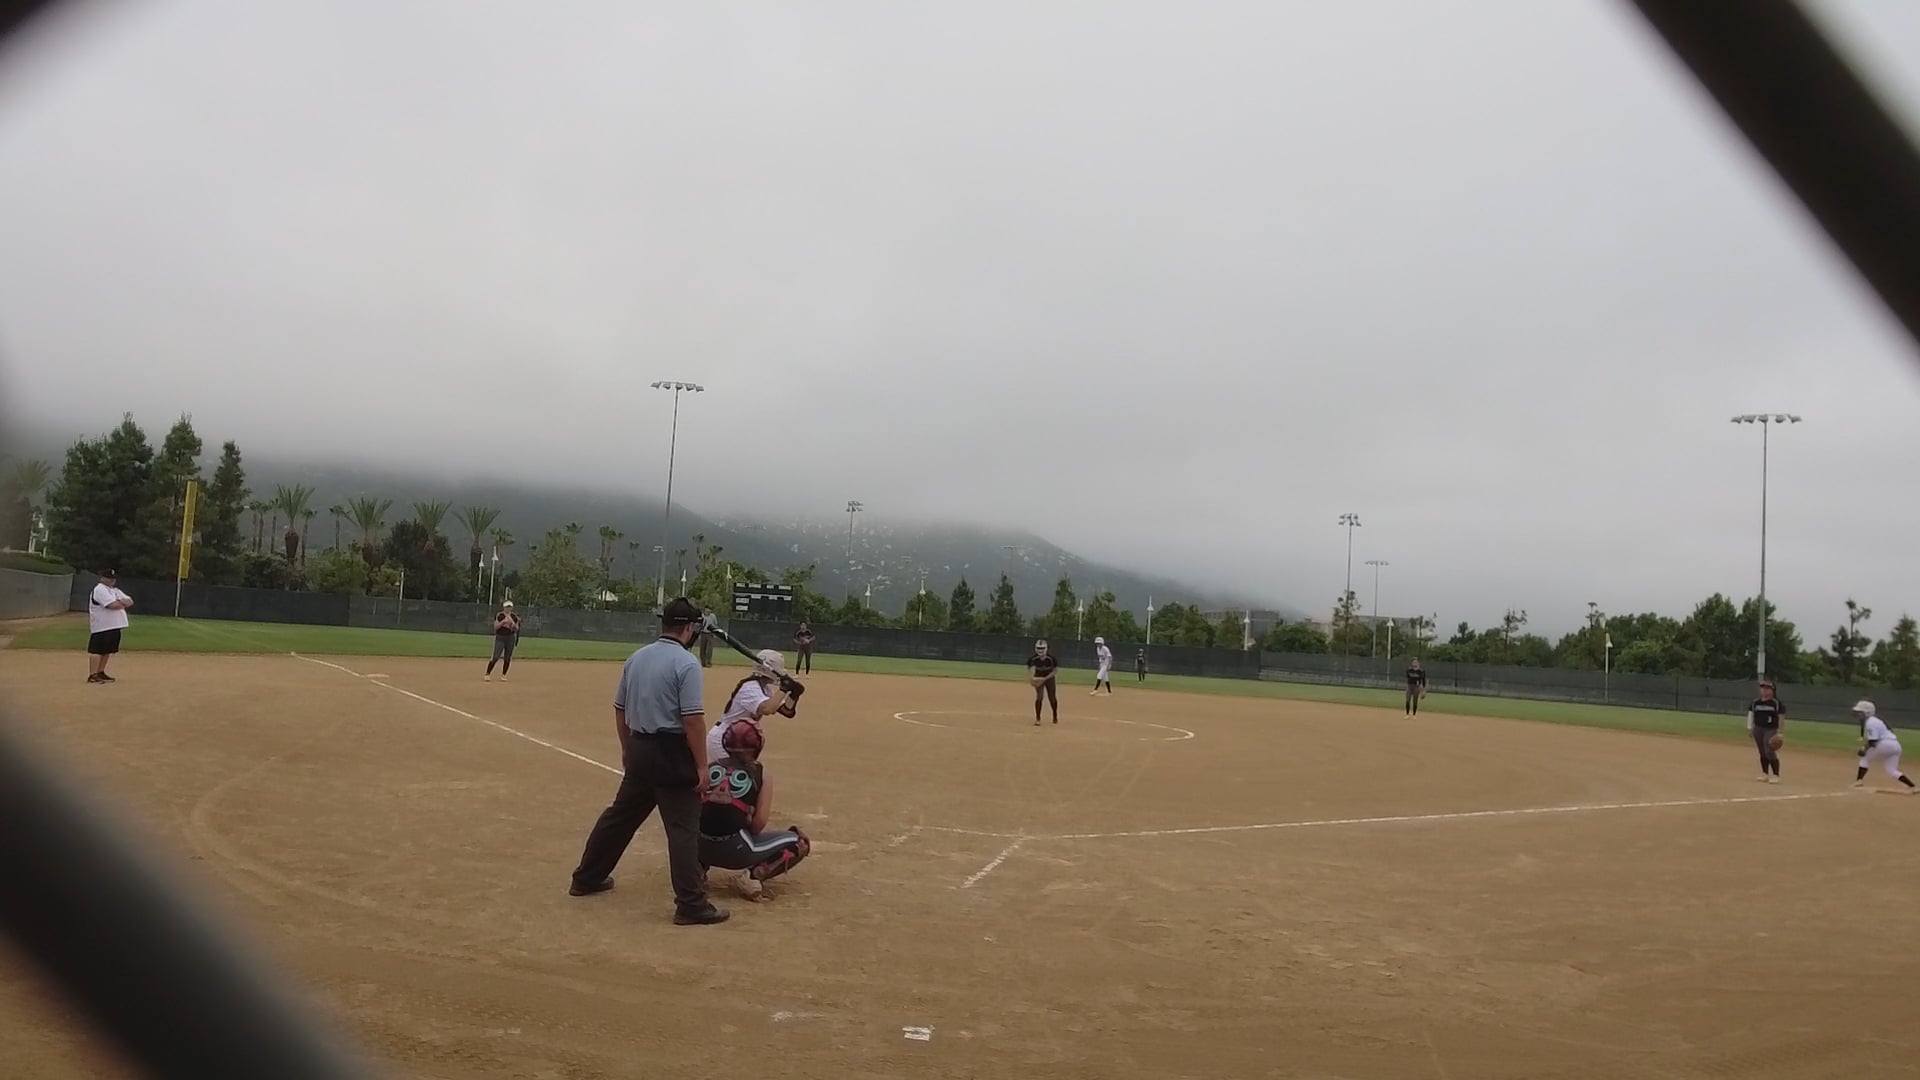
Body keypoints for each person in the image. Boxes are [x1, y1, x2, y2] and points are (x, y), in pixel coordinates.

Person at [568, 598, 729, 925]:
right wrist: (702, 766)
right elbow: (693, 720)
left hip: (640, 747)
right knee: (683, 828)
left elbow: (620, 708)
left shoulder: (637, 658)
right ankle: (691, 904)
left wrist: (627, 747)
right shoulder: (686, 663)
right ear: (689, 628)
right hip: (671, 752)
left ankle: (587, 877)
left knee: (619, 817)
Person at [699, 718, 811, 901]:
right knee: (799, 842)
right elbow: (758, 825)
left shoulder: (710, 767)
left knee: (699, 827)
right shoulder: (761, 774)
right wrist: (742, 817)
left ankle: (696, 870)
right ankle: (753, 876)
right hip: (737, 850)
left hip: (698, 847)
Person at [705, 648, 798, 764]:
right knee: (735, 773)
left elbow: (787, 711)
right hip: (724, 738)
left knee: (745, 772)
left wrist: (794, 694)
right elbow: (767, 709)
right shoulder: (750, 687)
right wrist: (784, 689)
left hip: (739, 738)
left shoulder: (765, 689)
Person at [1852, 700, 1916, 793]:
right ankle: (1912, 786)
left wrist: (1864, 749)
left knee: (1865, 758)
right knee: (1891, 770)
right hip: (1896, 745)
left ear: (1867, 712)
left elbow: (1873, 741)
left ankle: (1859, 781)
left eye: (1860, 712)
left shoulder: (1871, 722)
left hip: (1884, 744)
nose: (1858, 714)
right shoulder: (1877, 721)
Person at [86, 567, 132, 684]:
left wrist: (120, 602)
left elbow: (130, 601)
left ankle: (100, 672)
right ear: (103, 578)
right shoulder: (100, 589)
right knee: (97, 650)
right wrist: (122, 603)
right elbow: (112, 605)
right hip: (102, 626)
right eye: (109, 578)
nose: (112, 580)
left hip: (114, 625)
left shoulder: (115, 590)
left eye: (113, 578)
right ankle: (93, 674)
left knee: (107, 651)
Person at [1746, 680, 1785, 783]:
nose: (1764, 690)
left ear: (1773, 690)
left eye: (1767, 688)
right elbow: (1751, 714)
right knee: (1762, 751)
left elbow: (1781, 717)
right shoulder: (1755, 702)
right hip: (1758, 728)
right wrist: (1750, 727)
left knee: (1769, 750)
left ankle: (1776, 775)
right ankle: (1765, 774)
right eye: (1762, 688)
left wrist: (1780, 732)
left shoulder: (1776, 703)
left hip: (1771, 729)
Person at [484, 599, 519, 681]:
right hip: (500, 637)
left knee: (507, 657)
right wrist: (503, 622)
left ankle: (504, 674)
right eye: (507, 607)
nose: (508, 608)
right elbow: (496, 627)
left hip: (510, 637)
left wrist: (512, 624)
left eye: (510, 607)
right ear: (504, 607)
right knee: (496, 656)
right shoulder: (499, 615)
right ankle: (487, 673)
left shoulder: (514, 616)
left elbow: (516, 628)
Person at [1027, 639, 1059, 726]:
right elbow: (1030, 668)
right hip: (1038, 677)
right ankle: (1038, 718)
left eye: (1042, 648)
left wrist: (1044, 679)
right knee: (1039, 697)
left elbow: (1055, 671)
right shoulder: (1033, 659)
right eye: (1038, 648)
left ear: (1046, 648)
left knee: (1052, 698)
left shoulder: (1051, 659)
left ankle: (1055, 715)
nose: (1040, 650)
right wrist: (1032, 678)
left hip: (1049, 678)